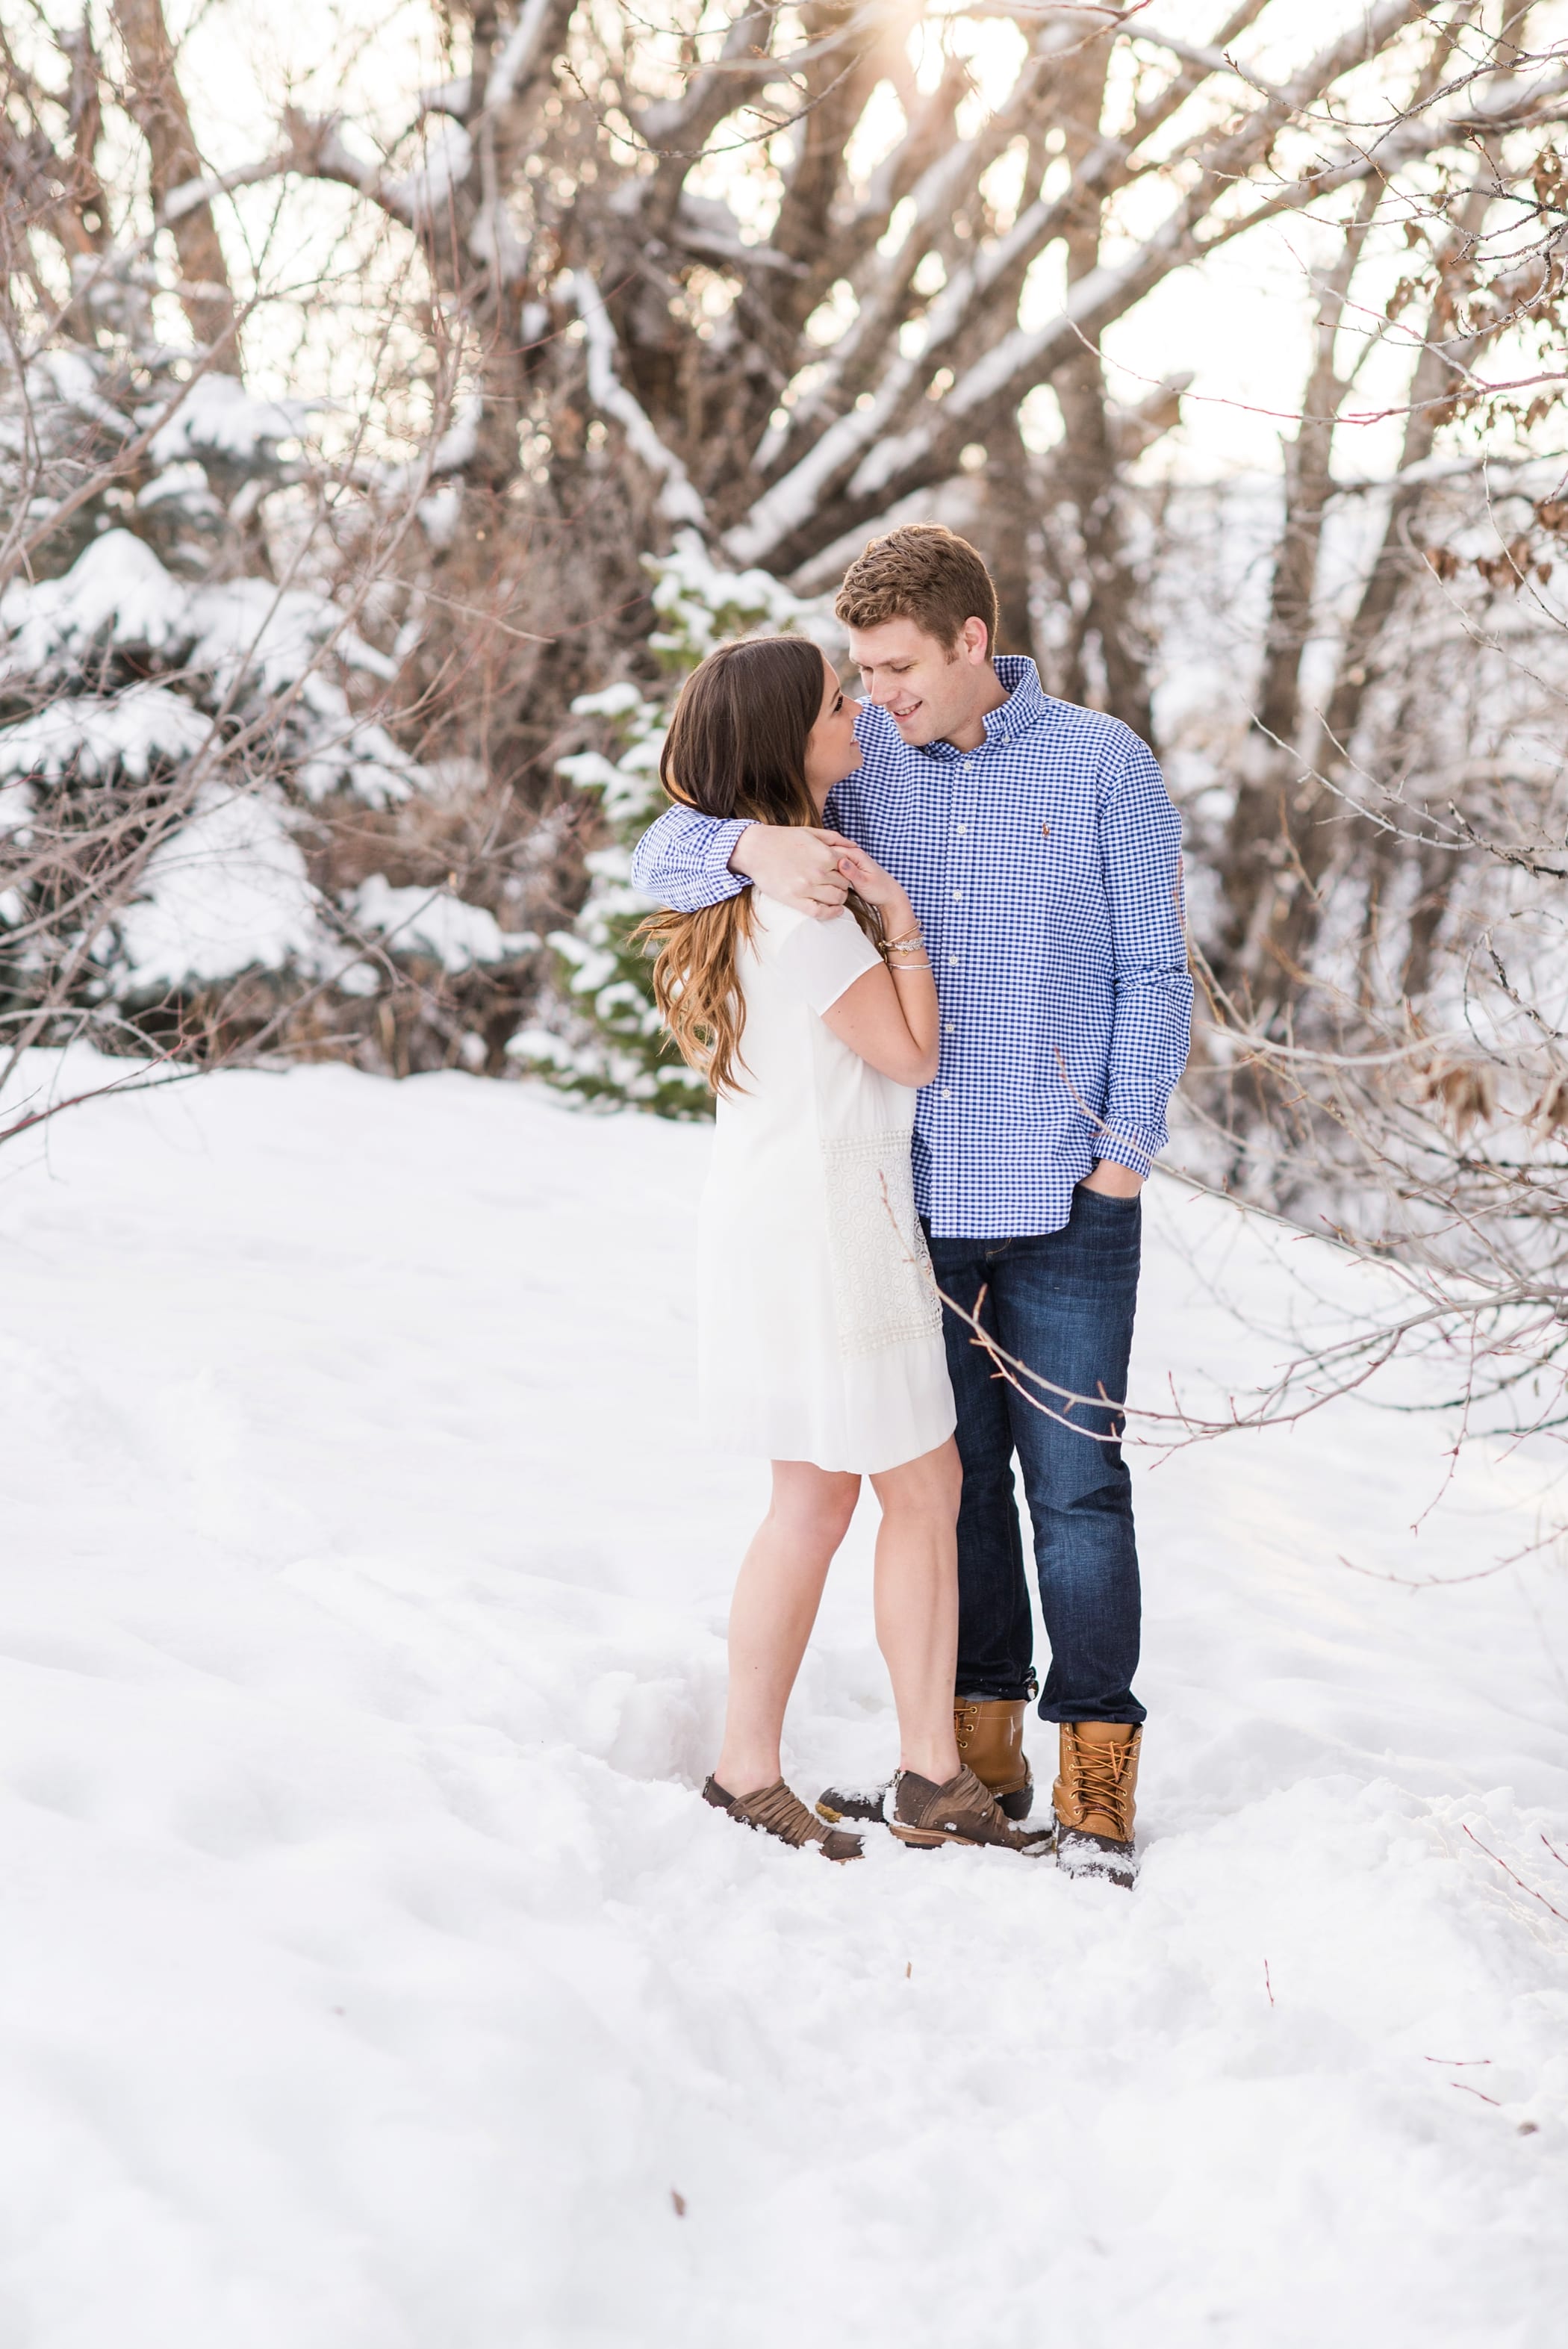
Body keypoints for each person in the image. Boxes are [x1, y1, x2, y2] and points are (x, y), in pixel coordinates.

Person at [633, 527, 1191, 1888]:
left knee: (1077, 1489)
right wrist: (756, 844)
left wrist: (1119, 1157)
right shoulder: (855, 759)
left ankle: (1096, 1769)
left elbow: (1154, 972)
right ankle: (969, 1753)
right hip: (906, 1204)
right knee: (949, 1492)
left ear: (968, 644)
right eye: (859, 676)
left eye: (894, 668)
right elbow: (664, 851)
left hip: (1066, 1188)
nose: (877, 695)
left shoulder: (1101, 761)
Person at [645, 635, 1053, 1863]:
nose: (858, 717)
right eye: (837, 703)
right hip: (836, 1223)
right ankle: (900, 1771)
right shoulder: (808, 905)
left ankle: (775, 1765)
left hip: (779, 1212)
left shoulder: (741, 886)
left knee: (823, 1498)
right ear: (792, 744)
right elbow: (914, 1057)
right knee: (911, 1488)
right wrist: (906, 919)